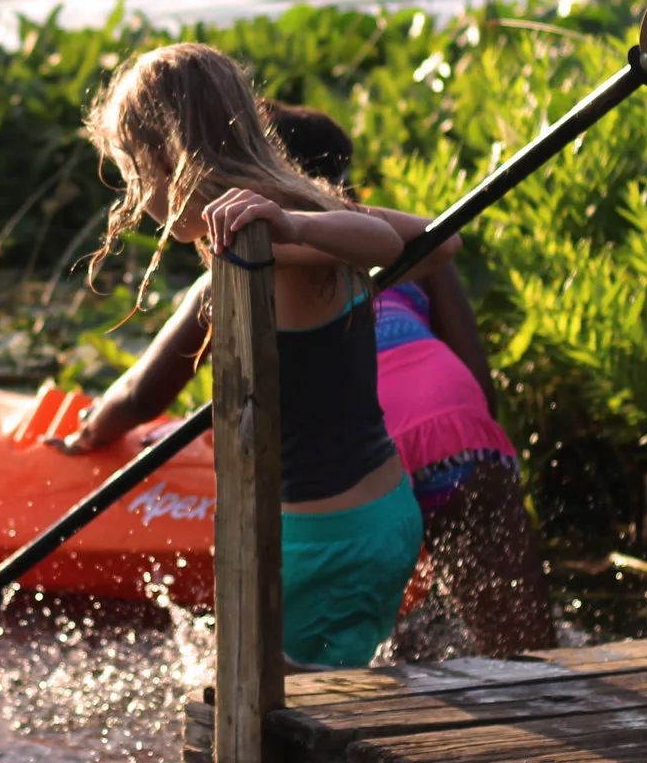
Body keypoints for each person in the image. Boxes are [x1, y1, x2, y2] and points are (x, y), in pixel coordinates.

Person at [72, 99, 557, 657]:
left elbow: (140, 395)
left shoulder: (246, 261)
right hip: (459, 437)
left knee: (326, 652)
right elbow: (474, 370)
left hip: (355, 469)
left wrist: (90, 430)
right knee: (523, 652)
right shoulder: (386, 243)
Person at [53, 43, 450, 670]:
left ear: (164, 158)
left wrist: (294, 227)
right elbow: (440, 238)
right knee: (304, 695)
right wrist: (307, 217)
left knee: (269, 724)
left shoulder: (272, 234)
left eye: (132, 175)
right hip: (378, 513)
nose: (133, 199)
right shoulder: (296, 209)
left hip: (323, 543)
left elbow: (378, 241)